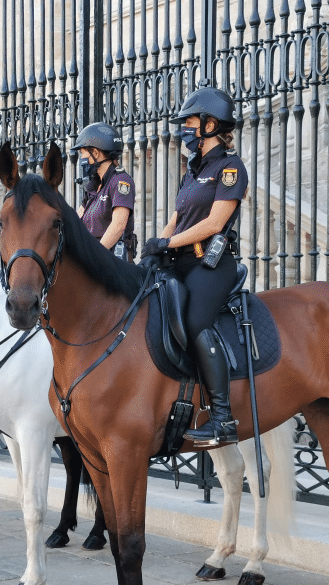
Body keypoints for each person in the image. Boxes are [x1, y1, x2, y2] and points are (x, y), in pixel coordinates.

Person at [140, 87, 248, 446]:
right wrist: (157, 247)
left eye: (189, 121)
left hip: (212, 264)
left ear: (210, 123)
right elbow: (177, 219)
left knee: (194, 321)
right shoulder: (192, 173)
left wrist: (168, 242)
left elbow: (215, 223)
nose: (185, 128)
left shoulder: (230, 168)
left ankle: (222, 419)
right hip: (180, 261)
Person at [73, 123, 136, 260]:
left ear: (95, 153)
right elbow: (76, 220)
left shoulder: (120, 181)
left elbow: (118, 225)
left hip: (110, 261)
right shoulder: (93, 186)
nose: (82, 159)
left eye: (83, 153)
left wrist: (94, 256)